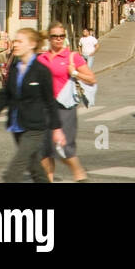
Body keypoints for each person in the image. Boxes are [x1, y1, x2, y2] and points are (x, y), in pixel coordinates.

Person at [0, 28, 66, 183]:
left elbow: (50, 101)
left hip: (34, 128)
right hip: (17, 126)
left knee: (12, 174)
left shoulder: (41, 71)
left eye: (20, 41)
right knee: (36, 170)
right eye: (15, 41)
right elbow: (4, 96)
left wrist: (57, 129)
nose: (15, 44)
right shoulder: (14, 68)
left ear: (32, 44)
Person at [38, 23, 96, 183]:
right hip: (45, 108)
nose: (58, 39)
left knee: (64, 147)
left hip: (65, 108)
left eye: (61, 36)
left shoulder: (72, 57)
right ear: (49, 38)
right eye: (55, 36)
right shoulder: (41, 58)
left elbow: (92, 78)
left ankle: (79, 174)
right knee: (44, 149)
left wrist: (75, 73)